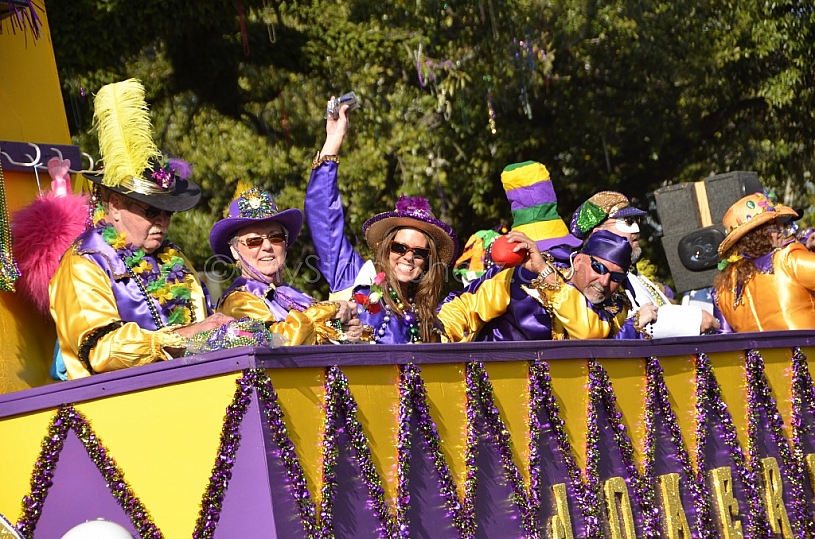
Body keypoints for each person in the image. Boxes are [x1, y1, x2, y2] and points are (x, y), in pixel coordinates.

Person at [49, 79, 231, 379]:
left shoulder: (175, 260)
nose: (162, 221)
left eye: (168, 212)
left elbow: (205, 324)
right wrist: (180, 337)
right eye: (150, 211)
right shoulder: (84, 263)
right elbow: (101, 351)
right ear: (115, 206)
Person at [304, 100, 458, 343]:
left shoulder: (427, 314)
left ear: (428, 260)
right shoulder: (353, 277)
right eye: (400, 247)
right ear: (386, 247)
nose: (408, 257)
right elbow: (323, 218)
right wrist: (333, 140)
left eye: (419, 252)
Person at [438, 229, 656, 340]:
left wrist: (547, 277)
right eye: (598, 268)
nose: (605, 281)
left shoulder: (616, 304)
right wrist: (433, 340)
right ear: (578, 261)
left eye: (616, 277)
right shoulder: (523, 275)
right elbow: (464, 307)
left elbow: (589, 333)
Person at [209, 186, 361, 344]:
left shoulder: (296, 295)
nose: (267, 246)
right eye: (254, 241)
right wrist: (330, 310)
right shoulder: (237, 302)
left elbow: (317, 330)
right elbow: (278, 341)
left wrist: (347, 329)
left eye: (276, 237)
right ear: (234, 250)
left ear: (285, 243)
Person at [569, 190, 720, 337]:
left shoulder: (631, 276)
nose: (636, 229)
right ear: (598, 233)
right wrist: (694, 319)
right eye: (627, 222)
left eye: (636, 220)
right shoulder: (584, 278)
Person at [713, 191, 815, 332]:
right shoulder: (787, 259)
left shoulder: (722, 289)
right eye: (775, 225)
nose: (783, 230)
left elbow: (724, 338)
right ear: (758, 235)